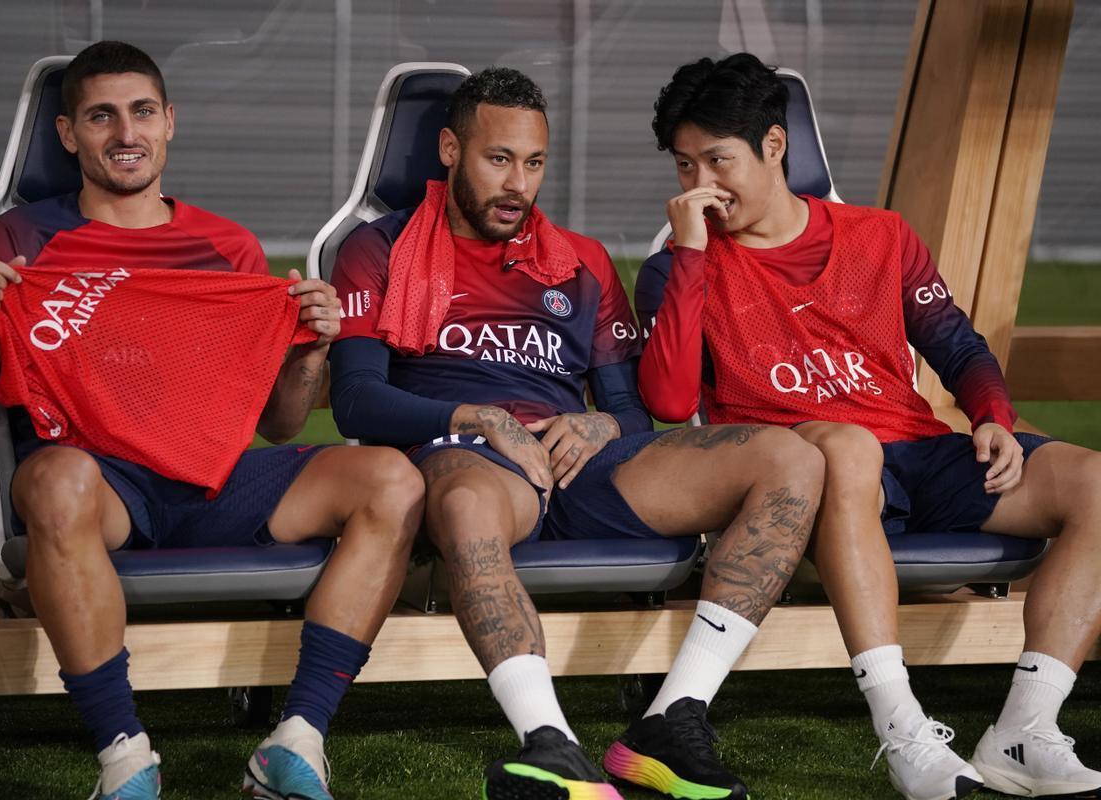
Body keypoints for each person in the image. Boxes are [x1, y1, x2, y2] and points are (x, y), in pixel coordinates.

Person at [0, 41, 423, 800]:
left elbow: (281, 426)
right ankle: (126, 759)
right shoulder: (21, 243)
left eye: (141, 112)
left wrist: (310, 351)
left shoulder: (226, 247)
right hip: (103, 489)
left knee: (390, 477)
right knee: (57, 479)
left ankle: (297, 741)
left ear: (169, 123)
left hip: (219, 479)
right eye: (100, 116)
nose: (124, 132)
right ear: (69, 135)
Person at [328, 66, 824, 800]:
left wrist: (596, 422)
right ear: (448, 150)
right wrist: (476, 419)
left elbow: (629, 410)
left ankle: (671, 719)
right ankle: (550, 743)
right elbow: (357, 400)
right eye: (499, 160)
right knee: (467, 501)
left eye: (533, 164)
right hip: (467, 460)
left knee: (790, 457)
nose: (517, 185)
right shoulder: (380, 247)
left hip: (577, 465)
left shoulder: (580, 260)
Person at [637, 52, 1101, 800]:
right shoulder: (680, 265)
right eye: (685, 167)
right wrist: (688, 257)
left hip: (916, 452)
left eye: (718, 161)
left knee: (1097, 483)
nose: (702, 187)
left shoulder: (881, 236)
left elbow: (955, 341)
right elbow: (666, 397)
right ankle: (902, 728)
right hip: (807, 469)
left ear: (775, 145)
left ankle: (1025, 730)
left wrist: (992, 416)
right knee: (847, 448)